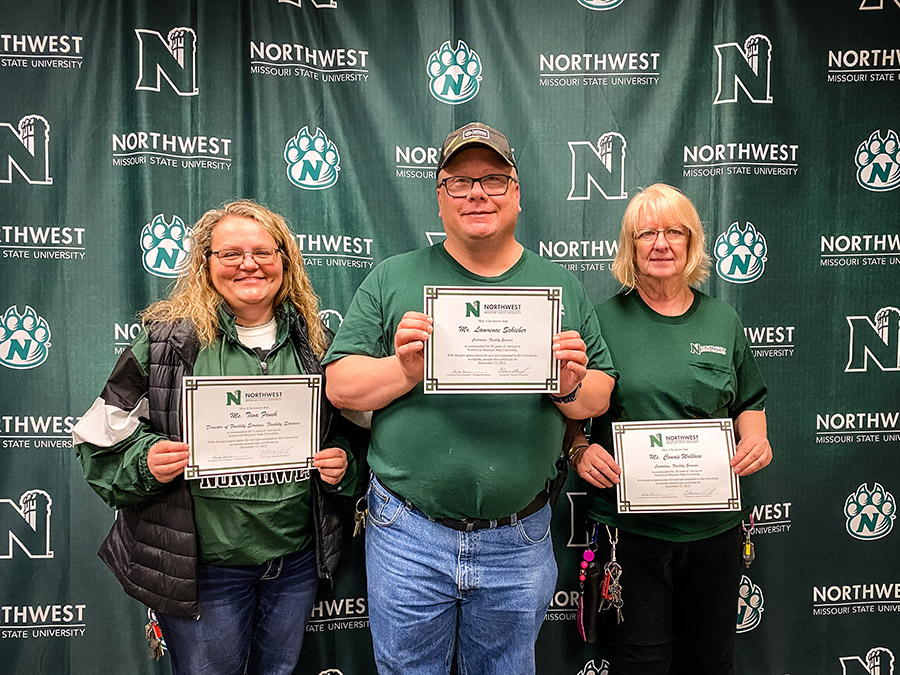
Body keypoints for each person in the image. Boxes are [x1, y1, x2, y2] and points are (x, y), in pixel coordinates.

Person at [323, 121, 618, 675]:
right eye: (459, 182)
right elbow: (339, 385)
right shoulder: (393, 278)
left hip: (519, 537)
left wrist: (566, 387)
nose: (477, 193)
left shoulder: (560, 286)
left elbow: (598, 394)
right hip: (408, 533)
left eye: (493, 179)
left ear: (517, 194)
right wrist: (405, 369)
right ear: (439, 198)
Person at [72, 199, 360, 675]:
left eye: (264, 252)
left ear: (285, 263)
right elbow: (98, 438)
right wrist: (146, 461)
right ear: (206, 264)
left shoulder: (319, 343)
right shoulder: (168, 344)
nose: (249, 264)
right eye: (230, 254)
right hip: (204, 571)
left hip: (294, 564)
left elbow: (356, 435)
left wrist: (343, 464)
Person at [572, 184, 773, 674]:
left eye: (673, 232)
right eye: (647, 234)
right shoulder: (602, 321)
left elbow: (749, 401)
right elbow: (567, 408)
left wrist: (756, 437)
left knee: (709, 663)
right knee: (638, 665)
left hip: (714, 533)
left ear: (691, 243)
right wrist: (579, 449)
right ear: (630, 247)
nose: (661, 244)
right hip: (630, 535)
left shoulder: (723, 320)